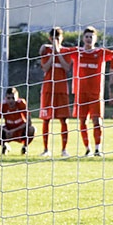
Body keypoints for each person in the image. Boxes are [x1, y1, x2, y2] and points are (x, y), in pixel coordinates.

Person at [72, 26, 113, 157]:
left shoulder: (101, 52)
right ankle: (87, 148)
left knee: (97, 121)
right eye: (87, 37)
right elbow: (60, 51)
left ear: (95, 39)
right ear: (83, 38)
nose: (89, 39)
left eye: (91, 37)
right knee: (83, 121)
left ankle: (98, 148)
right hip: (81, 93)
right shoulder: (77, 52)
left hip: (96, 94)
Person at [38, 27, 75, 157]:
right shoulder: (46, 51)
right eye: (53, 39)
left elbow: (66, 67)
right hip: (48, 89)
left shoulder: (66, 51)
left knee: (64, 120)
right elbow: (45, 68)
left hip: (61, 90)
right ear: (50, 39)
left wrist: (58, 52)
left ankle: (64, 149)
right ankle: (46, 149)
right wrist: (52, 53)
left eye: (58, 39)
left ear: (62, 38)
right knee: (46, 119)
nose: (56, 41)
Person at [0, 87, 35, 155]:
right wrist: (5, 131)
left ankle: (24, 147)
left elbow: (29, 122)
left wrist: (14, 131)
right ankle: (4, 146)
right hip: (8, 131)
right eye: (8, 98)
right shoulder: (3, 105)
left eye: (13, 98)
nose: (11, 101)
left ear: (17, 97)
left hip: (20, 131)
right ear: (5, 98)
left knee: (32, 129)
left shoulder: (21, 103)